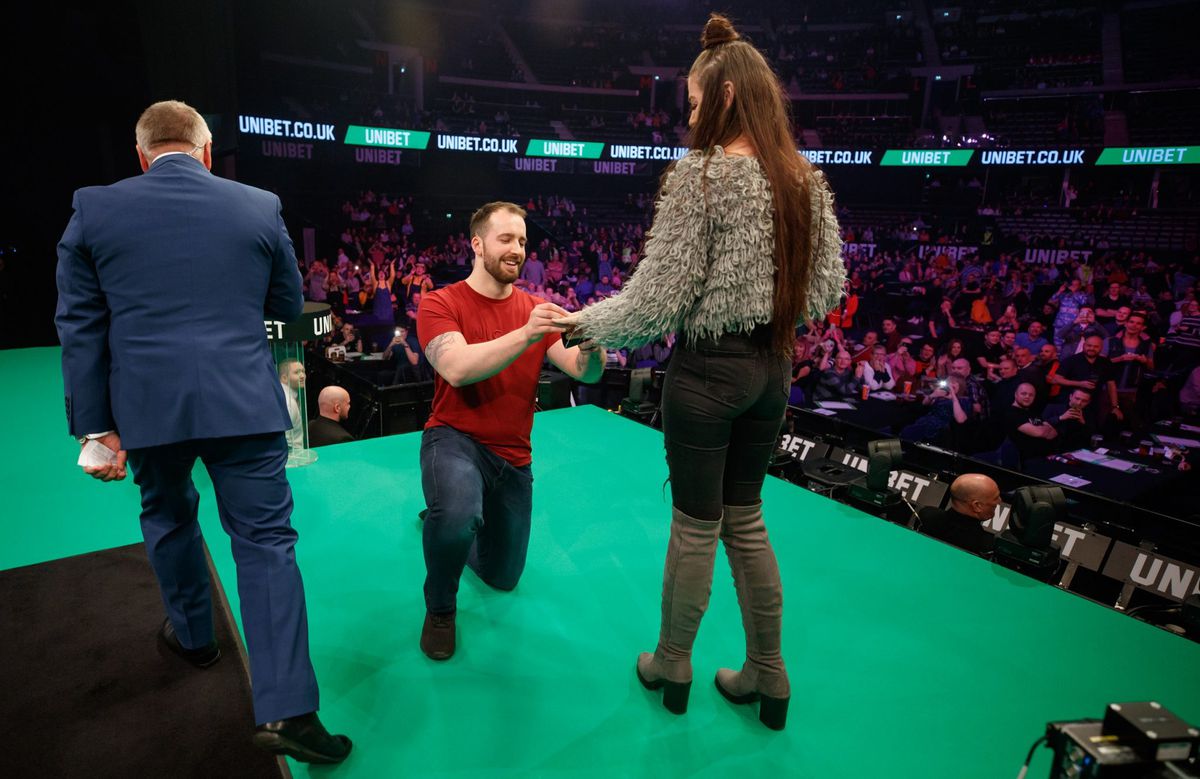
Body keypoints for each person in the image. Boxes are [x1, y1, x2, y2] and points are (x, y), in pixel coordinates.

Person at [553, 14, 846, 731]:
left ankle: (672, 663)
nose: (687, 116)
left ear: (719, 96)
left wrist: (582, 322)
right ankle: (767, 675)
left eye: (691, 102)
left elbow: (657, 300)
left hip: (708, 374)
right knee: (747, 522)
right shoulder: (805, 181)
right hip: (771, 372)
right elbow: (827, 290)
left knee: (694, 526)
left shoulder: (704, 177)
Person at [54, 101, 349, 762]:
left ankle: (194, 636)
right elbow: (283, 304)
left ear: (141, 155)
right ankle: (291, 712)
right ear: (207, 150)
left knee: (167, 515)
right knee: (267, 544)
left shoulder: (93, 209)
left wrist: (95, 429)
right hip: (242, 402)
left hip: (146, 410)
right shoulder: (258, 205)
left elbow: (79, 324)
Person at [415, 201, 605, 662]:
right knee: (458, 513)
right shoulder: (441, 302)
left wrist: (596, 346)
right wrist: (525, 334)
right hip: (454, 439)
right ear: (477, 244)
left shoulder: (537, 308)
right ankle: (440, 607)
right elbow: (457, 369)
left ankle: (450, 523)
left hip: (514, 457)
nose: (517, 249)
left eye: (522, 240)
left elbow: (583, 371)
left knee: (503, 576)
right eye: (506, 239)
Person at [916, 474, 1000, 557]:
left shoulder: (926, 516)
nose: (999, 501)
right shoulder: (986, 547)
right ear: (977, 506)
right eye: (996, 498)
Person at [278, 358, 306, 451]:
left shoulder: (285, 394)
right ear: (284, 378)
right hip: (292, 457)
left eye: (303, 371)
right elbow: (285, 439)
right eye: (297, 372)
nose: (302, 376)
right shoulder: (288, 402)